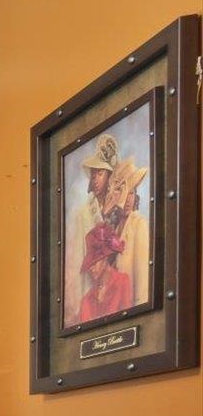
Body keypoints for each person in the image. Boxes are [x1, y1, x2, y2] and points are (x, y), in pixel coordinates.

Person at [69, 132, 149, 326]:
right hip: (100, 304)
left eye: (101, 173)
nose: (126, 197)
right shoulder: (91, 216)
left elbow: (142, 284)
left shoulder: (138, 225)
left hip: (130, 311)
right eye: (94, 173)